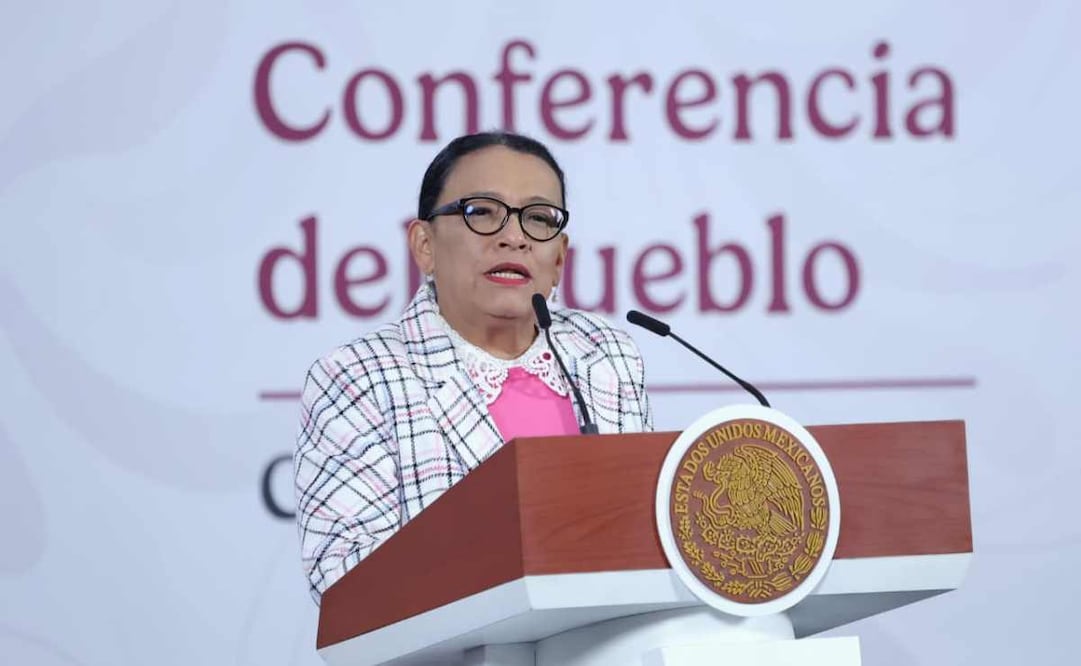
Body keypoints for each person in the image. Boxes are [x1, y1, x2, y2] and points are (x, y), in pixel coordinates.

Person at [293, 131, 653, 602]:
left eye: (539, 219)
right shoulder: (360, 376)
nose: (514, 237)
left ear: (559, 258)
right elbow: (345, 583)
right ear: (424, 244)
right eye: (482, 211)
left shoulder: (605, 355)